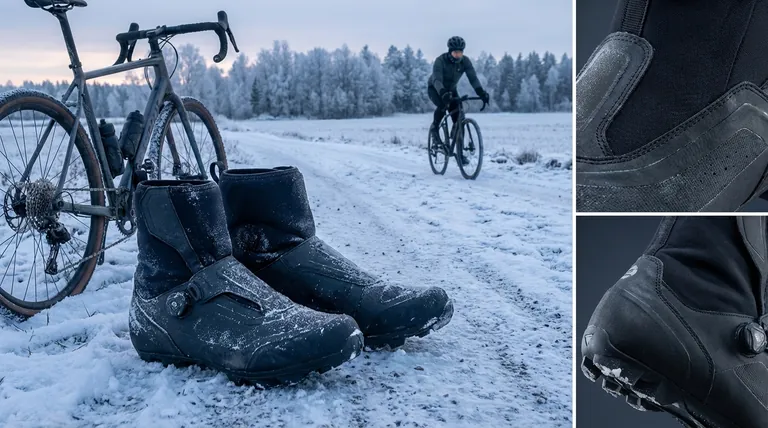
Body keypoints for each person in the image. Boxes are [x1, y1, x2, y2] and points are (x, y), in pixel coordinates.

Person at [428, 36, 490, 164]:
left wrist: (481, 93)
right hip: (436, 88)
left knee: (459, 119)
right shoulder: (440, 61)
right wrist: (442, 93)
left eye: (460, 52)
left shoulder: (465, 62)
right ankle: (434, 130)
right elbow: (437, 79)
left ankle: (459, 154)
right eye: (455, 52)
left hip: (451, 90)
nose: (458, 55)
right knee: (443, 106)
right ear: (450, 51)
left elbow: (473, 78)